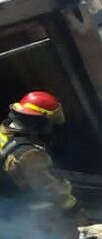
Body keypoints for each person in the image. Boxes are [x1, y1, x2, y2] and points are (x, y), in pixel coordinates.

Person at [0, 91, 87, 229]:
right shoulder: (28, 154)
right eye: (49, 124)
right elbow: (49, 189)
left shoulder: (4, 131)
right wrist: (73, 207)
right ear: (38, 123)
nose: (50, 129)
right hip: (11, 209)